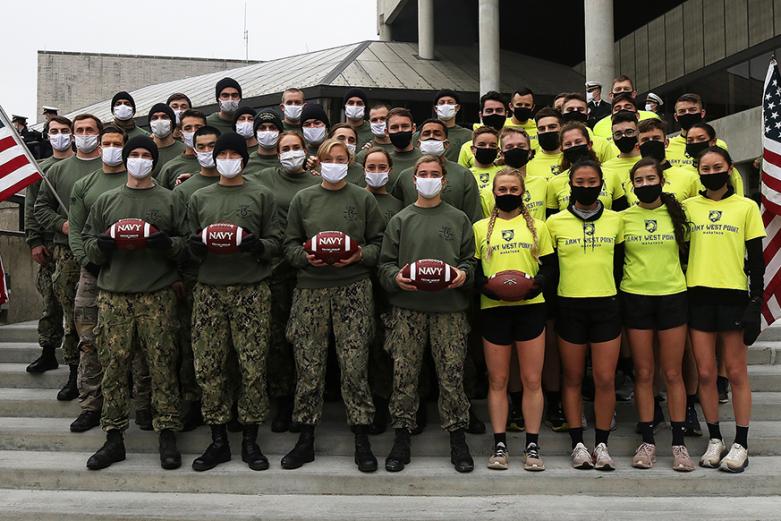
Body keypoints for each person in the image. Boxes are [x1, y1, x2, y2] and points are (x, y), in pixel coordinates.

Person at [281, 138, 385, 472]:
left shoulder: (363, 198)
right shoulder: (304, 198)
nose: (336, 163)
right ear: (319, 162)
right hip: (310, 290)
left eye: (342, 158)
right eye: (330, 158)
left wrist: (358, 256)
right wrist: (306, 259)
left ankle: (361, 435)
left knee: (354, 364)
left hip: (352, 288)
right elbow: (289, 245)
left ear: (350, 161)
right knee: (308, 366)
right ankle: (306, 436)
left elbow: (379, 244)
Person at [83, 136, 184, 471]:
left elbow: (186, 245)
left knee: (162, 365)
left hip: (157, 294)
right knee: (113, 368)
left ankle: (167, 432)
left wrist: (164, 243)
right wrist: (105, 244)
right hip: (114, 295)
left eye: (146, 155)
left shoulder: (170, 200)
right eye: (134, 155)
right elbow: (89, 247)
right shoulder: (106, 201)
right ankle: (113, 437)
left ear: (154, 161)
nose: (140, 160)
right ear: (125, 159)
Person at [186, 132, 281, 472]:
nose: (226, 157)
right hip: (209, 290)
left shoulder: (261, 194)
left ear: (244, 157)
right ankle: (218, 440)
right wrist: (196, 247)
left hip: (251, 290)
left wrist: (260, 247)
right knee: (209, 367)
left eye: (232, 152)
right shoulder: (199, 197)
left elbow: (276, 240)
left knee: (252, 365)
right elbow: (187, 243)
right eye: (220, 152)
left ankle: (251, 440)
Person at [379, 155, 476, 473]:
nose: (429, 178)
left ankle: (457, 438)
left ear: (444, 181)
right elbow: (385, 265)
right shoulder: (401, 219)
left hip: (449, 311)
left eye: (435, 174)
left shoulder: (459, 218)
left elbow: (470, 262)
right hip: (408, 311)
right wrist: (395, 278)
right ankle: (401, 437)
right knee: (404, 377)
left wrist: (463, 274)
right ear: (413, 179)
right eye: (423, 174)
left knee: (451, 377)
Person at [683, 147, 765, 473]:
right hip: (697, 295)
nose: (712, 171)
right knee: (704, 373)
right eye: (705, 167)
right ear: (698, 171)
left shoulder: (746, 207)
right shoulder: (688, 207)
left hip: (733, 295)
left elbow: (757, 260)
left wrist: (756, 301)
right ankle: (715, 438)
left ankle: (741, 442)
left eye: (718, 166)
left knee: (735, 372)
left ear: (729, 169)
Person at [474, 168, 555, 471]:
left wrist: (534, 286)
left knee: (532, 380)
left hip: (531, 307)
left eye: (513, 189)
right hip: (493, 308)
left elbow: (549, 267)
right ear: (493, 193)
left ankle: (532, 446)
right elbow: (474, 269)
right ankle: (499, 445)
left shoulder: (539, 227)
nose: (508, 194)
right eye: (502, 189)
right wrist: (488, 289)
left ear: (523, 192)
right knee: (498, 380)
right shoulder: (480, 228)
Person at [546, 159, 624, 471]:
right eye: (580, 181)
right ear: (571, 185)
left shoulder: (616, 221)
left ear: (601, 185)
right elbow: (550, 272)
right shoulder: (555, 223)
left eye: (593, 182)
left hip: (606, 305)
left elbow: (619, 267)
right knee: (574, 378)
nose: (587, 187)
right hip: (569, 307)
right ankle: (577, 443)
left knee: (605, 378)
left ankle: (602, 444)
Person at [621, 158, 696, 472]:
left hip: (672, 297)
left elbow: (690, 254)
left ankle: (679, 444)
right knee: (643, 373)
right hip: (636, 297)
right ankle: (648, 440)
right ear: (632, 185)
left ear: (661, 180)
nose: (645, 183)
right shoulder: (622, 218)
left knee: (673, 373)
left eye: (650, 178)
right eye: (639, 180)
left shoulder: (679, 214)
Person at [252, 131, 320, 433]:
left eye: (296, 148)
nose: (291, 152)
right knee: (277, 339)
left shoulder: (317, 183)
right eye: (285, 149)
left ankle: (304, 402)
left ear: (306, 151)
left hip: (307, 271)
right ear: (277, 153)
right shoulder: (264, 178)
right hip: (275, 270)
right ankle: (281, 400)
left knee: (305, 341)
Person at [34, 114, 103, 402]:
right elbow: (40, 208)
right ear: (73, 135)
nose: (85, 134)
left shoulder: (109, 168)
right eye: (80, 130)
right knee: (72, 318)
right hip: (66, 252)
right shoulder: (58, 171)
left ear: (99, 134)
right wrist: (61, 224)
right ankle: (75, 374)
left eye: (90, 129)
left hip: (104, 255)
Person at [67, 126, 131, 433]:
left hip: (128, 274)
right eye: (106, 143)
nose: (110, 148)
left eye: (117, 143)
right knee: (89, 342)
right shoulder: (84, 184)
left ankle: (136, 404)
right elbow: (77, 230)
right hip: (92, 274)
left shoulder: (137, 181)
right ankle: (91, 405)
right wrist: (87, 261)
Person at [172, 126, 223, 430]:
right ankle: (192, 400)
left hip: (227, 278)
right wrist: (177, 275)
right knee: (193, 345)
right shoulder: (183, 190)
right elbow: (177, 237)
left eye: (212, 146)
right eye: (201, 146)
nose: (207, 151)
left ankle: (224, 402)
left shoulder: (244, 184)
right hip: (192, 278)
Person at [25, 116, 73, 374]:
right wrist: (33, 241)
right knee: (50, 302)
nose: (60, 135)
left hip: (75, 245)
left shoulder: (83, 165)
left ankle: (76, 359)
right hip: (48, 244)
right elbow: (32, 209)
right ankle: (48, 350)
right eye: (54, 131)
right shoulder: (39, 169)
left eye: (65, 131)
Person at [363, 147, 404, 433]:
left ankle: (392, 401)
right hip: (361, 281)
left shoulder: (398, 205)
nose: (376, 172)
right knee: (366, 346)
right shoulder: (355, 198)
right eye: (371, 166)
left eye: (382, 166)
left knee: (392, 347)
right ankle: (371, 404)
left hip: (391, 285)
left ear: (390, 170)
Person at [391, 119, 482, 223]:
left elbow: (474, 218)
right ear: (418, 144)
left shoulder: (463, 174)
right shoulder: (405, 175)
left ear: (446, 144)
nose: (431, 136)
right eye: (426, 133)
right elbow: (396, 214)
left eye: (437, 134)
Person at [545, 122, 627, 214]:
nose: (574, 146)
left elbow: (621, 213)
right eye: (568, 144)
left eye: (578, 142)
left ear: (589, 144)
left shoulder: (611, 175)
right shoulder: (554, 182)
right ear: (562, 149)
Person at [479, 129, 546, 220]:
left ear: (529, 152)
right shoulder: (488, 191)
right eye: (509, 147)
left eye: (521, 146)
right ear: (502, 154)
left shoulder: (542, 184)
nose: (515, 149)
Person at [631, 119, 699, 203]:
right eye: (645, 140)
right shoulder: (630, 180)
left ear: (666, 143)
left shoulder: (689, 178)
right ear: (637, 147)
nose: (651, 142)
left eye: (656, 138)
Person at [666, 93, 728, 169]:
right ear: (676, 117)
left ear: (702, 113)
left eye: (692, 110)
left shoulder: (719, 144)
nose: (687, 114)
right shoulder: (667, 146)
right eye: (682, 111)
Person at [681, 122, 744, 195]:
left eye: (701, 139)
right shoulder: (682, 172)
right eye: (690, 140)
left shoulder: (729, 171)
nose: (695, 143)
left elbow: (739, 201)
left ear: (713, 141)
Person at [592, 75, 660, 139]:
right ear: (611, 96)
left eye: (626, 89)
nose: (622, 92)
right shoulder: (599, 127)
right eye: (618, 89)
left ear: (634, 94)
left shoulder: (651, 117)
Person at [560, 93, 617, 163]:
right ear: (562, 113)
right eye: (570, 109)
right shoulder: (554, 143)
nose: (575, 112)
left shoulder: (602, 144)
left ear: (587, 114)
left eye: (580, 109)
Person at [157, 110, 207, 189]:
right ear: (181, 134)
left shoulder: (219, 162)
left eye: (198, 127)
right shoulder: (170, 168)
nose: (193, 131)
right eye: (188, 128)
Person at [458, 91, 507, 169]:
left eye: (499, 110)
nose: (494, 114)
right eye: (489, 111)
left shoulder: (513, 144)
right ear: (481, 115)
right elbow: (462, 176)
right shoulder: (467, 147)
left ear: (506, 114)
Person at [430, 89, 472, 162]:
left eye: (450, 103)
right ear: (435, 108)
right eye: (442, 103)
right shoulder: (422, 134)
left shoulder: (469, 135)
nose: (446, 105)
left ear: (457, 107)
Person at [148, 103, 186, 178]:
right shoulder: (144, 152)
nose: (159, 121)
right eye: (155, 118)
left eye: (164, 117)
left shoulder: (184, 150)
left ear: (172, 123)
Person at [526, 108, 563, 179]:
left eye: (552, 127)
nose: (547, 131)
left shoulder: (572, 159)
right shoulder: (528, 163)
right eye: (542, 129)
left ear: (562, 129)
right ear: (537, 133)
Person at [244, 109, 283, 176]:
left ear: (280, 132)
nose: (267, 132)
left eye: (272, 128)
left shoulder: (287, 159)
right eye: (262, 128)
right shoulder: (246, 162)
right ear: (255, 133)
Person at [386, 108, 422, 177]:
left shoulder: (424, 158)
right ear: (387, 132)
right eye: (394, 127)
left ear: (413, 128)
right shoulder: (383, 162)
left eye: (405, 126)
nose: (400, 130)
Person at [469, 126, 502, 191]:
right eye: (482, 145)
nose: (487, 148)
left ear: (498, 150)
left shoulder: (503, 174)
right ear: (473, 149)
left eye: (492, 145)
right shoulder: (466, 175)